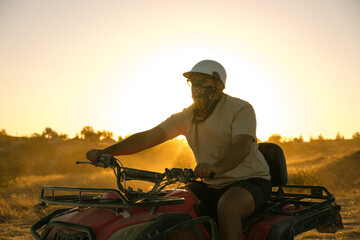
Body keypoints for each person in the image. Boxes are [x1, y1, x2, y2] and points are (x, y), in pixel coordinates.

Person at [86, 60, 271, 240]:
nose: (196, 87)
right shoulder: (187, 116)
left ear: (218, 84)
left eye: (203, 82)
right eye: (193, 82)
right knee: (170, 202)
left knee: (228, 206)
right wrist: (107, 151)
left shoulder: (240, 108)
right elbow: (149, 137)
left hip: (250, 181)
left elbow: (242, 146)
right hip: (211, 184)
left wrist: (217, 167)